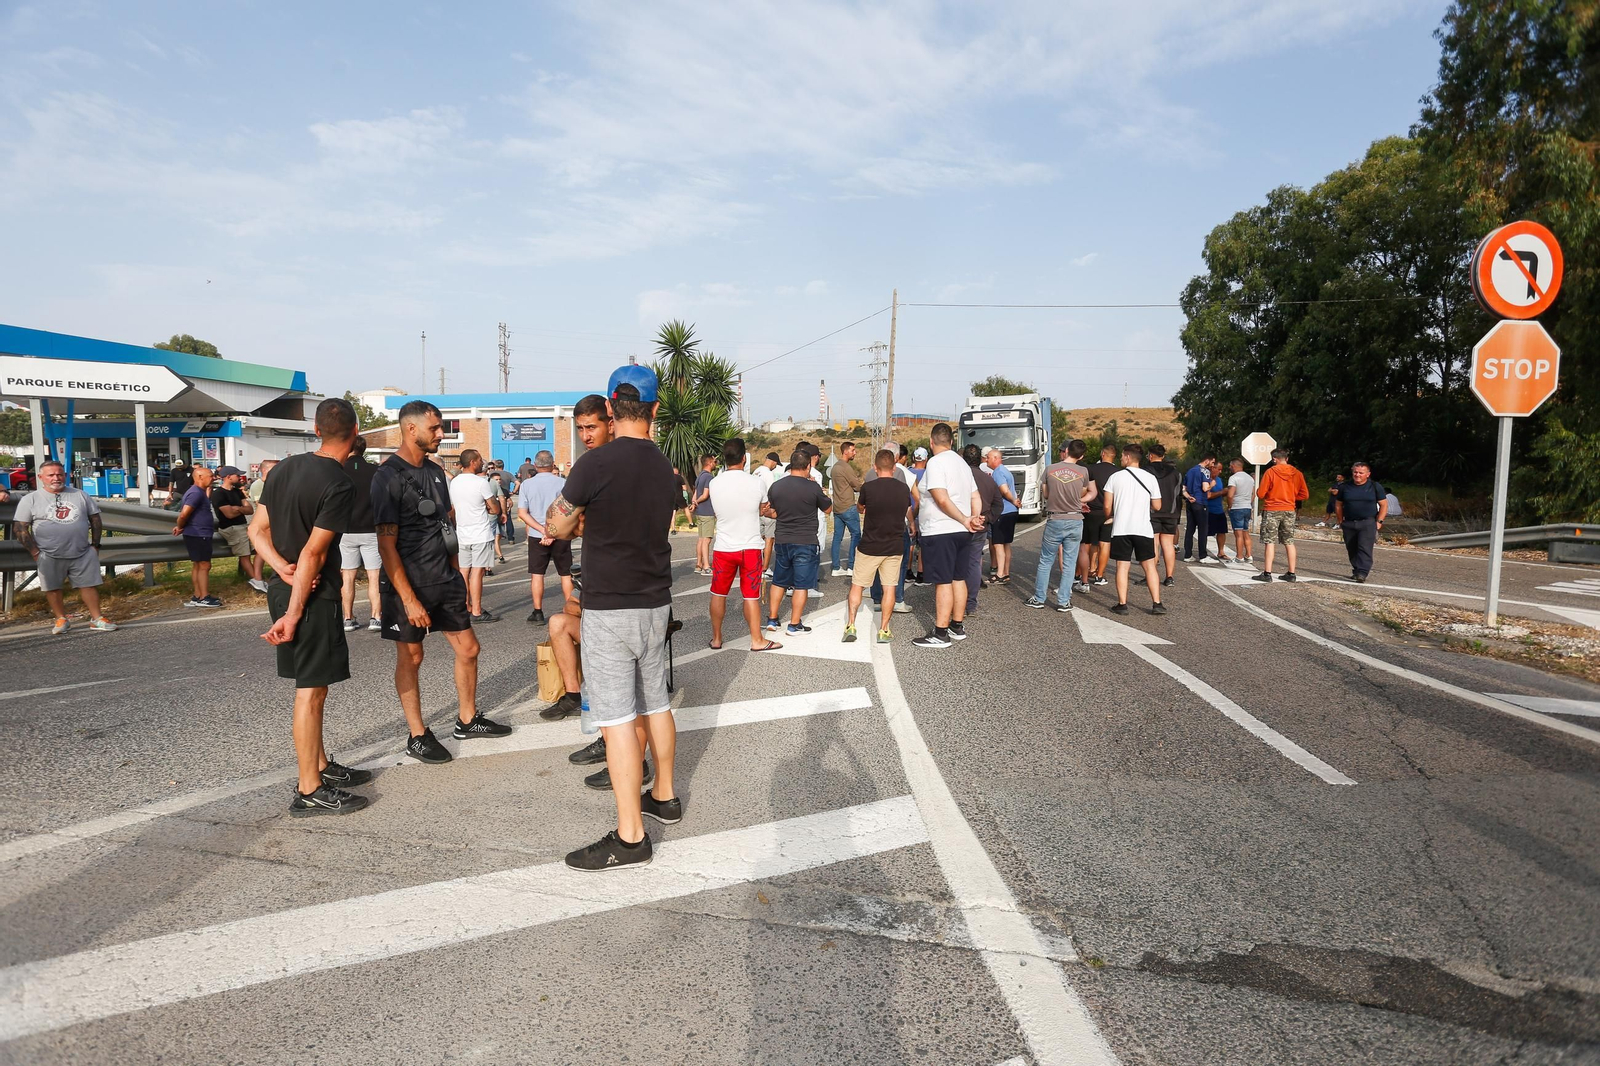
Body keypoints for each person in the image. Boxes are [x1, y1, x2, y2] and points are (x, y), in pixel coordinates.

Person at [545, 365, 681, 872]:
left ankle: (630, 837)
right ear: (654, 409)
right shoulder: (664, 466)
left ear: (609, 405)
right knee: (656, 703)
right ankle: (664, 795)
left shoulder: (594, 463)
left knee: (619, 718)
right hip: (656, 600)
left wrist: (578, 519)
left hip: (609, 605)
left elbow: (558, 524)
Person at [251, 396, 372, 817]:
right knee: (311, 692)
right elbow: (314, 555)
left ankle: (320, 765)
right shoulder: (339, 483)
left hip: (284, 586)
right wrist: (296, 611)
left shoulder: (283, 468)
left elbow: (256, 530)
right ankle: (309, 788)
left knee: (312, 684)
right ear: (355, 433)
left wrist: (277, 566)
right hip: (310, 595)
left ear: (316, 430)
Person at [373, 401, 512, 763]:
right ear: (411, 429)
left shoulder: (436, 473)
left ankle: (467, 719)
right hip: (409, 587)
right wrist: (408, 598)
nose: (441, 434)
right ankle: (417, 735)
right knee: (412, 656)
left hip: (444, 579)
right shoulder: (386, 476)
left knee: (469, 649)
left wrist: (457, 575)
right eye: (435, 428)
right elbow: (386, 545)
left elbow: (444, 525)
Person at [543, 395, 612, 727]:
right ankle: (573, 695)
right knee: (560, 620)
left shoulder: (608, 465)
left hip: (625, 590)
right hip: (594, 576)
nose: (586, 435)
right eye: (581, 428)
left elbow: (560, 523)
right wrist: (575, 526)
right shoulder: (587, 466)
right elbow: (556, 526)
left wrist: (575, 524)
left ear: (609, 423)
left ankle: (608, 732)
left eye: (592, 427)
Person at [13, 459, 117, 634]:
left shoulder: (80, 495)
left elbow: (95, 519)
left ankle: (97, 618)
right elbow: (20, 527)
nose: (56, 478)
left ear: (66, 475)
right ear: (41, 477)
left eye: (59, 474)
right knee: (53, 587)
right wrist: (35, 552)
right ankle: (61, 619)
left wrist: (95, 546)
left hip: (82, 551)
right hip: (48, 553)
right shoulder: (30, 499)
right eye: (51, 475)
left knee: (89, 585)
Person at [911, 424, 983, 649]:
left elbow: (940, 498)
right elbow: (975, 495)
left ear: (932, 443)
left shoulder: (935, 463)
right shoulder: (962, 463)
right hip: (962, 531)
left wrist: (964, 519)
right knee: (958, 578)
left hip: (941, 529)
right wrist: (974, 517)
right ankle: (957, 625)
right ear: (951, 442)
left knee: (942, 581)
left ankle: (940, 633)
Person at [708, 437, 782, 651]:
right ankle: (757, 639)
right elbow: (761, 509)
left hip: (723, 547)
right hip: (750, 547)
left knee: (718, 593)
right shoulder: (756, 482)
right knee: (751, 595)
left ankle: (716, 638)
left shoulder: (714, 483)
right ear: (743, 458)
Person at [846, 448, 916, 642]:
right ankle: (884, 629)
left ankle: (851, 625)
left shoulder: (868, 488)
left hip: (869, 545)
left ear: (875, 468)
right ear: (894, 467)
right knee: (890, 588)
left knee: (857, 586)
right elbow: (906, 507)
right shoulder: (903, 489)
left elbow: (861, 507)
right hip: (894, 546)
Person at [764, 449, 832, 635]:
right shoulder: (812, 487)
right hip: (805, 541)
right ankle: (794, 624)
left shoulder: (776, 487)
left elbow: (774, 511)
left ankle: (772, 619)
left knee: (779, 581)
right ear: (808, 466)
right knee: (801, 585)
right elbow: (827, 509)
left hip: (783, 539)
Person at [1027, 439, 1094, 611]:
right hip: (1075, 519)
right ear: (1082, 455)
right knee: (1070, 562)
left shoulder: (1050, 469)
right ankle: (1064, 601)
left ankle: (1039, 598)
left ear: (1066, 450)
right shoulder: (1084, 471)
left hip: (1056, 519)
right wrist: (1078, 501)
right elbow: (1087, 492)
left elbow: (1046, 494)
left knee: (1046, 561)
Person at [1102, 443, 1165, 616]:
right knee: (1149, 566)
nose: (1121, 459)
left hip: (1121, 528)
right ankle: (1157, 603)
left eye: (1122, 456)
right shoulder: (1150, 478)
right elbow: (1158, 506)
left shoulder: (1115, 478)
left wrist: (1111, 515)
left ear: (1128, 457)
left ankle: (1122, 604)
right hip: (1143, 528)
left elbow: (1107, 506)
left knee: (1122, 566)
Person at [517, 449, 573, 625]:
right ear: (552, 464)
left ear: (535, 465)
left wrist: (542, 530)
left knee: (537, 574)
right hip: (560, 534)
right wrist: (552, 531)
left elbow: (523, 513)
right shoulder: (562, 483)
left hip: (536, 534)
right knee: (565, 574)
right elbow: (568, 511)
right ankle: (571, 609)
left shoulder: (527, 484)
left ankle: (538, 611)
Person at [448, 449, 502, 624]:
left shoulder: (454, 482)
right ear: (472, 462)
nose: (482, 463)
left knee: (464, 571)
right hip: (480, 532)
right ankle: (477, 611)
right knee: (477, 572)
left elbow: (453, 508)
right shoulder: (481, 482)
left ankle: (465, 606)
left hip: (462, 532)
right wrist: (491, 508)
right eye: (479, 460)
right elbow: (494, 507)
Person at [340, 436, 384, 633]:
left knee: (347, 577)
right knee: (374, 576)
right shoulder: (376, 471)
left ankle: (348, 618)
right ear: (363, 450)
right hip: (371, 529)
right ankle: (376, 616)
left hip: (345, 530)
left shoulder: (339, 471)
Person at [1253, 448, 1309, 582]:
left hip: (1272, 509)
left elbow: (1261, 494)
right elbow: (1305, 494)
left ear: (1274, 459)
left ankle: (1267, 573)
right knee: (1289, 541)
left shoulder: (1271, 472)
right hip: (1289, 509)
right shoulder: (1297, 473)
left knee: (1269, 541)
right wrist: (1292, 497)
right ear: (1287, 459)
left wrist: (1266, 493)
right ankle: (1291, 573)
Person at [210, 466, 267, 593]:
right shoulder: (218, 493)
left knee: (261, 548)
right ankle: (256, 581)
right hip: (231, 528)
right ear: (229, 477)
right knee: (244, 554)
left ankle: (257, 578)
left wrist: (237, 508)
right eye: (237, 475)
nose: (240, 477)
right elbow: (228, 514)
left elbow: (250, 509)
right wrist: (240, 509)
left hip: (243, 525)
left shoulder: (237, 491)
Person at [173, 465, 221, 608]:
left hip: (197, 533)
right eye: (211, 476)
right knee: (204, 565)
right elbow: (184, 514)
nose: (213, 478)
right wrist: (180, 526)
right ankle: (204, 597)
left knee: (198, 565)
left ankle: (198, 595)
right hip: (199, 534)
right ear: (200, 477)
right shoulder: (196, 493)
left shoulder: (198, 492)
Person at [961, 444, 1000, 616]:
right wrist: (989, 518)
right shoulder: (988, 479)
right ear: (981, 460)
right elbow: (998, 504)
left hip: (960, 524)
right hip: (981, 525)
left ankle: (957, 603)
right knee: (974, 563)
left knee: (958, 563)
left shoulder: (960, 477)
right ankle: (971, 603)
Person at [1334, 462, 1388, 582]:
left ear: (1367, 474)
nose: (1357, 475)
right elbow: (1338, 504)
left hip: (1367, 522)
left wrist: (1379, 521)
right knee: (1351, 548)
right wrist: (1339, 520)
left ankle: (1363, 572)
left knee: (1364, 547)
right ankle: (1357, 569)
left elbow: (1383, 504)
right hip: (1349, 522)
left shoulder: (1374, 486)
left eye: (1360, 473)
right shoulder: (1345, 487)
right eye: (1355, 472)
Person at [1079, 444, 1118, 588]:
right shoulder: (1118, 472)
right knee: (1105, 543)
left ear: (1102, 454)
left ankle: (1085, 571)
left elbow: (1084, 490)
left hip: (1091, 511)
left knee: (1087, 543)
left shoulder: (1091, 469)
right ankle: (1100, 575)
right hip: (1109, 512)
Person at [1144, 443, 1182, 586]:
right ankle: (1169, 576)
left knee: (1154, 543)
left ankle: (1151, 574)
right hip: (1171, 512)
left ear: (1150, 455)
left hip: (1151, 511)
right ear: (1163, 456)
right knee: (1168, 544)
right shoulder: (1175, 472)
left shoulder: (1146, 471)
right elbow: (1178, 493)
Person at [983, 448, 1019, 583]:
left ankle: (999, 574)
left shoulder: (998, 472)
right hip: (1011, 511)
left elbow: (1004, 490)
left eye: (988, 457)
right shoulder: (1006, 471)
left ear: (995, 458)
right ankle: (1006, 572)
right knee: (1006, 544)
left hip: (1002, 512)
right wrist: (1014, 501)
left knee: (998, 544)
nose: (986, 459)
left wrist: (1013, 500)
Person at [828, 441, 864, 577]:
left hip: (837, 507)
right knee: (856, 535)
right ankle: (851, 566)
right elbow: (856, 486)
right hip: (848, 506)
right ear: (845, 451)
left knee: (837, 538)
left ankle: (836, 567)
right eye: (853, 450)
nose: (855, 452)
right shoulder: (846, 467)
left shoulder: (835, 467)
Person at [1182, 452, 1217, 564]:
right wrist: (1212, 484)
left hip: (1190, 501)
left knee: (1190, 529)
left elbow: (1183, 488)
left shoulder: (1190, 471)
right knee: (1203, 529)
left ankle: (1188, 554)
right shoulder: (1205, 471)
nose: (1212, 465)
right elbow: (1205, 488)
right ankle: (1203, 555)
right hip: (1201, 502)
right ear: (1207, 460)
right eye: (1212, 462)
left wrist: (1189, 497)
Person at [753, 451, 781, 575]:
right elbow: (772, 493)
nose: (775, 466)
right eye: (776, 464)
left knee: (759, 539)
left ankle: (756, 565)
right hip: (766, 510)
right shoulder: (768, 474)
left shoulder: (755, 471)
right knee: (769, 540)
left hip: (755, 510)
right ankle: (765, 568)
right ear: (773, 461)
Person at [690, 453, 717, 576]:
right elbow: (705, 495)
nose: (716, 464)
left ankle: (699, 564)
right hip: (707, 512)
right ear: (710, 462)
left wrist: (694, 503)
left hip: (699, 512)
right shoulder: (709, 477)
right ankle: (706, 566)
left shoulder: (700, 476)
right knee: (706, 540)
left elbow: (695, 493)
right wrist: (697, 501)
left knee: (701, 539)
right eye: (715, 462)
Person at [1225, 458, 1255, 566]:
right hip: (1247, 507)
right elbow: (1253, 494)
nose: (1229, 468)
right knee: (1245, 532)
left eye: (1230, 466)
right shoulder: (1250, 478)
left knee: (1238, 534)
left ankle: (1239, 556)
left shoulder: (1233, 478)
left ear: (1233, 466)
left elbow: (1230, 495)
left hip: (1237, 507)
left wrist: (1229, 506)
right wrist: (1248, 503)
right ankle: (1249, 555)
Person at [1205, 457, 1230, 561]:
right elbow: (1208, 495)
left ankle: (1221, 551)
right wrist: (1222, 492)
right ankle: (1203, 551)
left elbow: (1219, 494)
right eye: (1218, 469)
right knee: (1205, 532)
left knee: (1222, 531)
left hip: (1219, 509)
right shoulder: (1206, 479)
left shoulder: (1219, 480)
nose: (1220, 471)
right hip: (1208, 510)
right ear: (1212, 468)